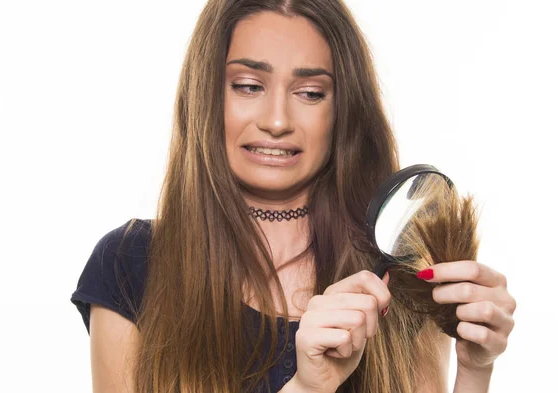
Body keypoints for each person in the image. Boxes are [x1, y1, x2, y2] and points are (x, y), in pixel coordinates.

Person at [70, 1, 516, 392]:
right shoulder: (130, 265)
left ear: (341, 111)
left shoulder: (400, 273)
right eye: (248, 86)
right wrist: (309, 386)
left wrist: (476, 370)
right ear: (207, 95)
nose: (277, 121)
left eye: (309, 93)